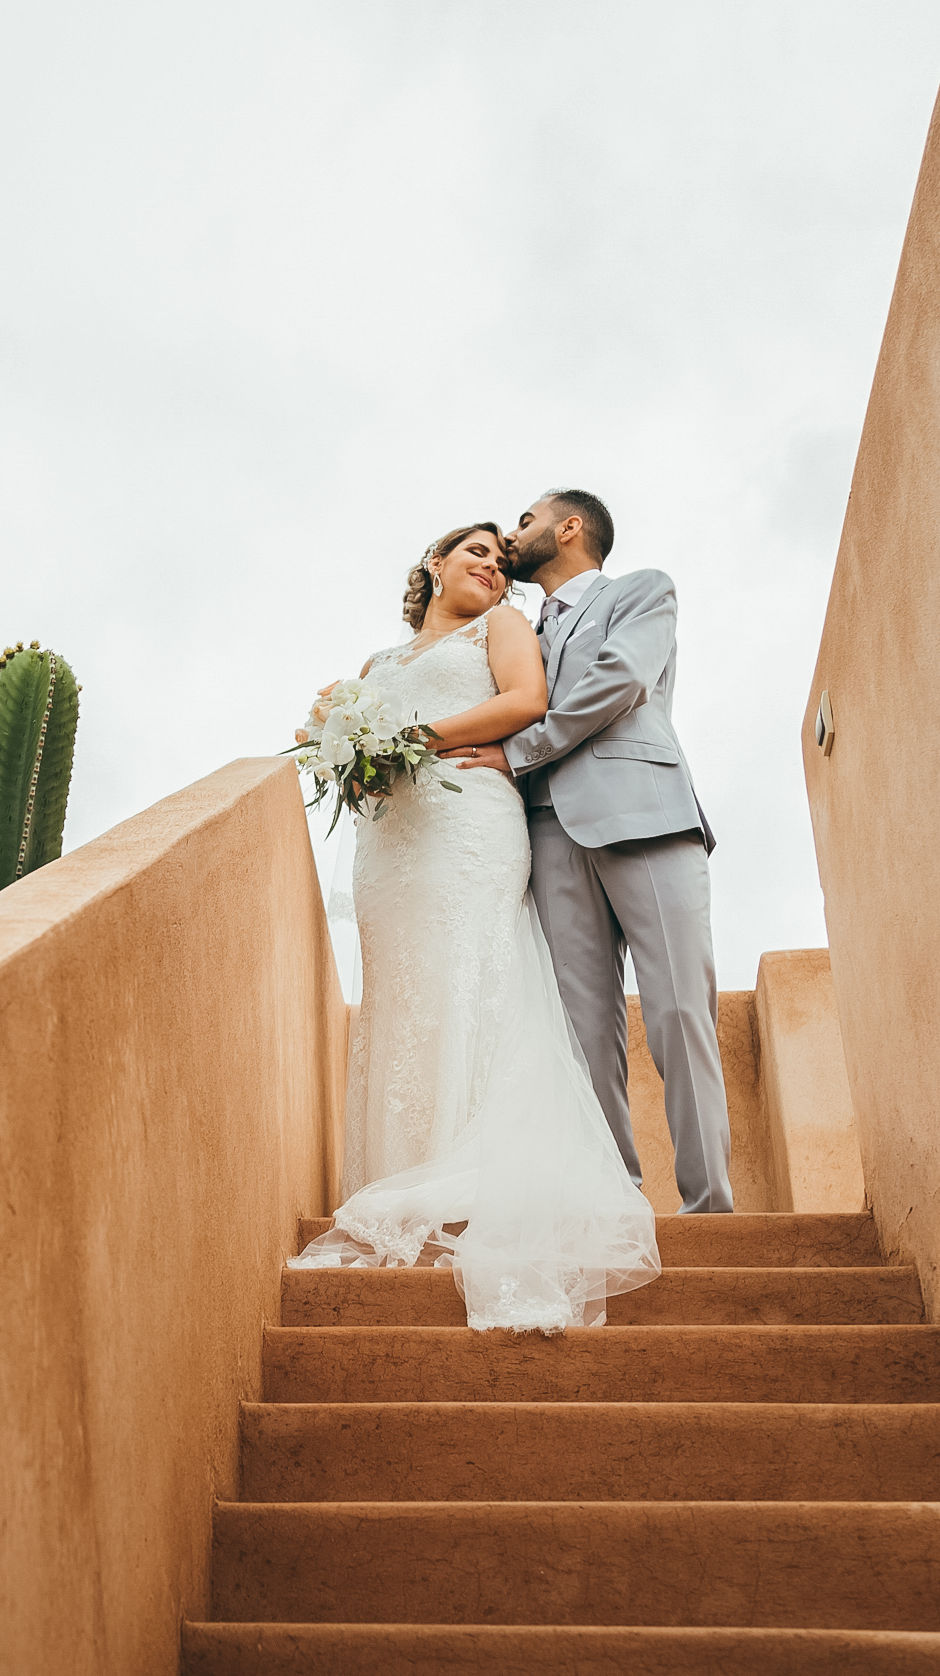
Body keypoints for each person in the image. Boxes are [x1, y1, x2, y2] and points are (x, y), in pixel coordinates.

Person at [288, 522, 658, 1331]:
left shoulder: (502, 625)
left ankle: (476, 1184)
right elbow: (355, 762)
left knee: (471, 973)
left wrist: (412, 738)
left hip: (470, 828)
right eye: (475, 552)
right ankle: (405, 1173)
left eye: (499, 559)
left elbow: (525, 702)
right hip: (391, 846)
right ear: (435, 561)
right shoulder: (374, 666)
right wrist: (349, 756)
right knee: (402, 995)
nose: (492, 566)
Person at [442, 489, 733, 1213]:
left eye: (526, 520)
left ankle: (709, 1207)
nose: (513, 536)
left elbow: (620, 681)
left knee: (679, 1008)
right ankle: (613, 1204)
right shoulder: (511, 630)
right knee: (580, 1030)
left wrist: (522, 750)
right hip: (546, 833)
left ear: (569, 527)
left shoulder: (641, 591)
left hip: (645, 814)